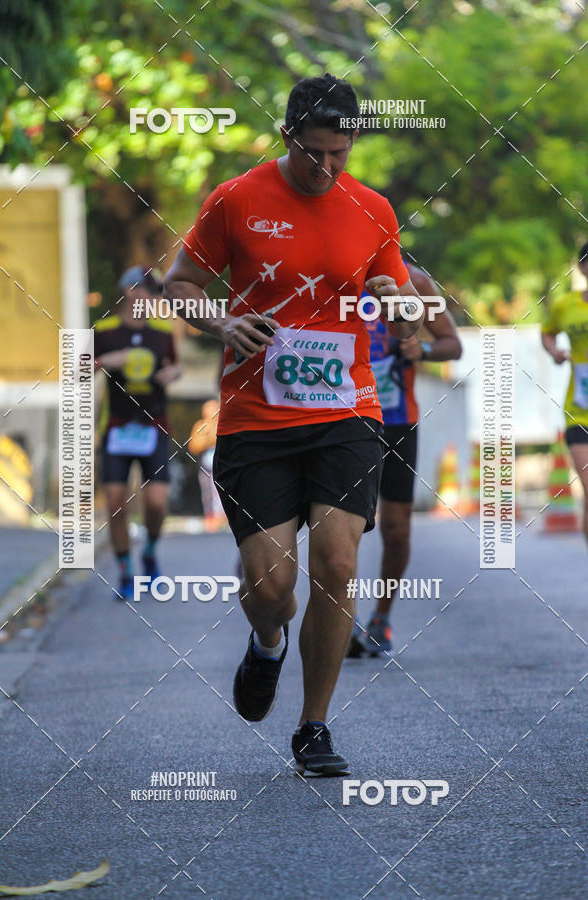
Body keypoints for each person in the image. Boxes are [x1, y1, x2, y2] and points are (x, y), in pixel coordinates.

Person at [164, 73, 424, 776]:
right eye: (314, 153)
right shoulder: (236, 199)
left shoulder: (373, 208)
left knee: (337, 564)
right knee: (270, 585)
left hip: (348, 411)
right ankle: (267, 643)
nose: (328, 168)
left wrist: (392, 298)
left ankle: (314, 726)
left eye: (341, 153)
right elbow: (179, 283)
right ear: (287, 138)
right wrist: (222, 320)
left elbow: (398, 298)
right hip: (256, 417)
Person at [347, 264, 462, 658]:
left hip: (396, 420)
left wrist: (423, 349)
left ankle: (380, 617)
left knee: (396, 530)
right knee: (339, 528)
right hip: (341, 421)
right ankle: (342, 619)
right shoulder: (331, 269)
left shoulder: (416, 281)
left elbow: (453, 344)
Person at [94, 266, 181, 600]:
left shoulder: (162, 331)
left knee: (157, 503)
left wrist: (171, 374)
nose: (150, 296)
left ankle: (150, 550)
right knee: (116, 502)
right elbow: (78, 369)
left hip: (155, 425)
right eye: (145, 289)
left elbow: (176, 366)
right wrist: (107, 360)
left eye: (154, 291)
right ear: (128, 290)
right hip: (117, 426)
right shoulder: (105, 330)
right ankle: (126, 570)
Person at [542, 241, 588, 544]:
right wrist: (555, 352)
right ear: (583, 267)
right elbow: (547, 332)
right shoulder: (565, 305)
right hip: (580, 409)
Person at [188, 399, 226, 531]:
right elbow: (194, 446)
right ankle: (210, 517)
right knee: (207, 492)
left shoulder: (224, 423)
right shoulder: (200, 426)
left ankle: (222, 517)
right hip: (206, 465)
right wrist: (208, 439)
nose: (211, 412)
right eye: (208, 409)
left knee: (220, 491)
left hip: (221, 465)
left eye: (214, 408)